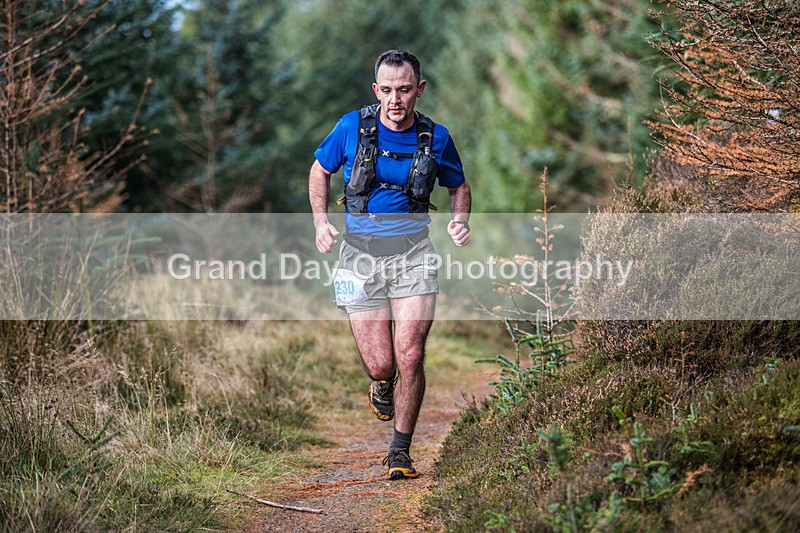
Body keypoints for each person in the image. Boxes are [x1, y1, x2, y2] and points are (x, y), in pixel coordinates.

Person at [308, 49, 471, 480]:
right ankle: (381, 384)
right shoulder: (351, 127)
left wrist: (460, 219)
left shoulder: (436, 137)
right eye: (387, 90)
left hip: (415, 255)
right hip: (357, 257)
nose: (395, 100)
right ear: (375, 89)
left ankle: (400, 452)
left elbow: (459, 185)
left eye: (404, 90)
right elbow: (319, 170)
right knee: (382, 364)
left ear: (419, 90)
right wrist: (321, 223)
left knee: (411, 355)